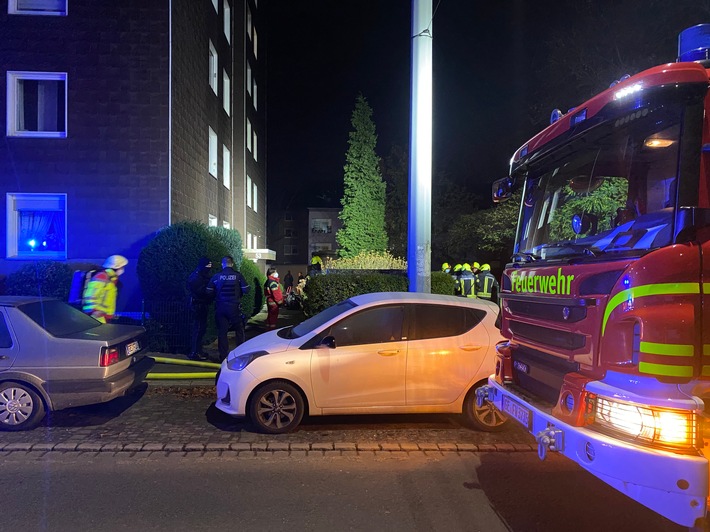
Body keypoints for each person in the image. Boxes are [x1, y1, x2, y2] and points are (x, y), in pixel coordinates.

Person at [206, 256, 250, 362]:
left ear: (222, 264)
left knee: (222, 332)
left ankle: (223, 357)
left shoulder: (217, 276)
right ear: (232, 264)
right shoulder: (238, 276)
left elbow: (208, 291)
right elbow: (246, 290)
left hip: (221, 307)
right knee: (239, 330)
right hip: (234, 308)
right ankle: (240, 355)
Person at [82, 255, 128, 323]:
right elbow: (90, 295)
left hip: (104, 316)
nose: (122, 269)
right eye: (122, 267)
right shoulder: (102, 276)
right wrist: (95, 311)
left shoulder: (111, 278)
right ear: (116, 267)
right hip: (97, 317)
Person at [186, 257, 212, 361]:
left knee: (201, 329)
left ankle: (198, 350)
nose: (209, 268)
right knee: (198, 329)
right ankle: (194, 352)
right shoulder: (196, 277)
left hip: (202, 305)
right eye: (207, 266)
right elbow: (201, 291)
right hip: (198, 305)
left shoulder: (201, 275)